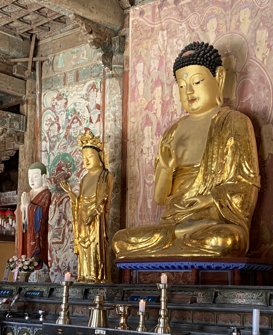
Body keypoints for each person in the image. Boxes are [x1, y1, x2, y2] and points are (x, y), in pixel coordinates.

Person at [112, 41, 261, 259]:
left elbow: (246, 186)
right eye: (181, 86)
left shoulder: (234, 123)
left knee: (227, 240)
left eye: (197, 81)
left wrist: (208, 200)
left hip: (211, 224)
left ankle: (182, 239)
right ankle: (178, 238)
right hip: (171, 227)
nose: (188, 91)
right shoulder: (172, 132)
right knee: (121, 240)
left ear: (219, 78)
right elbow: (161, 198)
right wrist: (165, 169)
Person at [60, 128, 114, 282]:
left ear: (100, 157)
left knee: (95, 247)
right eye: (84, 158)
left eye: (90, 156)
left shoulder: (105, 175)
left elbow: (103, 199)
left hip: (96, 219)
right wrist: (70, 193)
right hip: (83, 217)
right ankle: (83, 275)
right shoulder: (84, 178)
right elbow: (79, 201)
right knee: (84, 249)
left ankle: (95, 276)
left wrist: (93, 213)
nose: (87, 161)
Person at [16, 162, 51, 269]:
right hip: (26, 233)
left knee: (35, 261)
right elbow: (18, 215)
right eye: (29, 176)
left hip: (37, 237)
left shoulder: (46, 194)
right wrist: (22, 208)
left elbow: (43, 215)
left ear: (43, 177)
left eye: (35, 176)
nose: (31, 180)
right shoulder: (29, 194)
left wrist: (28, 206)